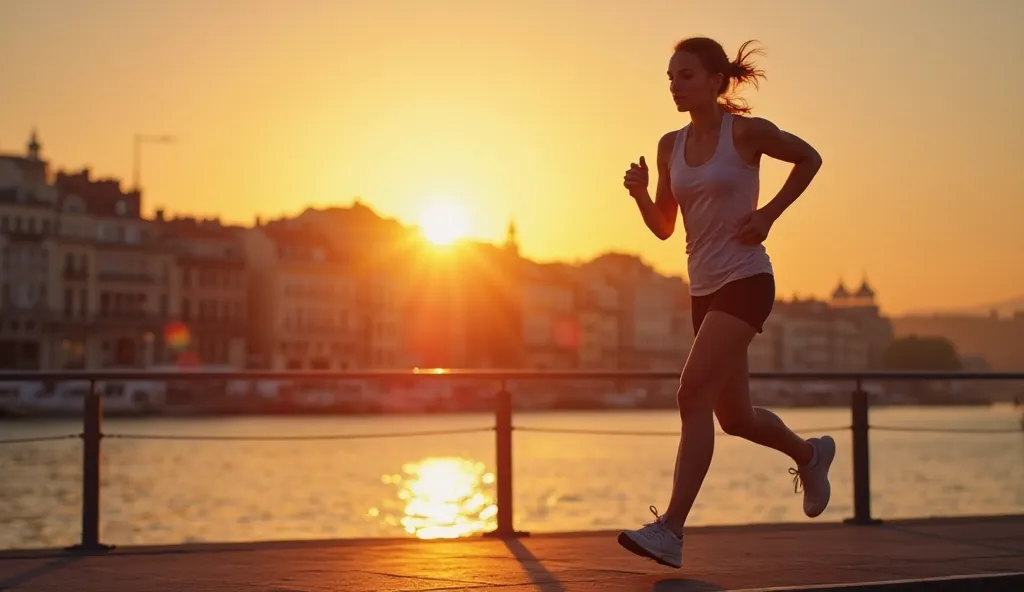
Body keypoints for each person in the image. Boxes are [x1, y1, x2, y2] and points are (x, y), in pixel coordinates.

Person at [617, 37, 833, 569]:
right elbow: (666, 229)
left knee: (690, 393)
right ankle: (810, 454)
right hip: (703, 289)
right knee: (733, 418)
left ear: (716, 80)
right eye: (670, 76)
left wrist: (769, 215)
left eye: (686, 75)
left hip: (746, 281)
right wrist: (643, 196)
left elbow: (810, 158)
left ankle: (671, 529)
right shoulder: (670, 145)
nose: (675, 84)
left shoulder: (748, 133)